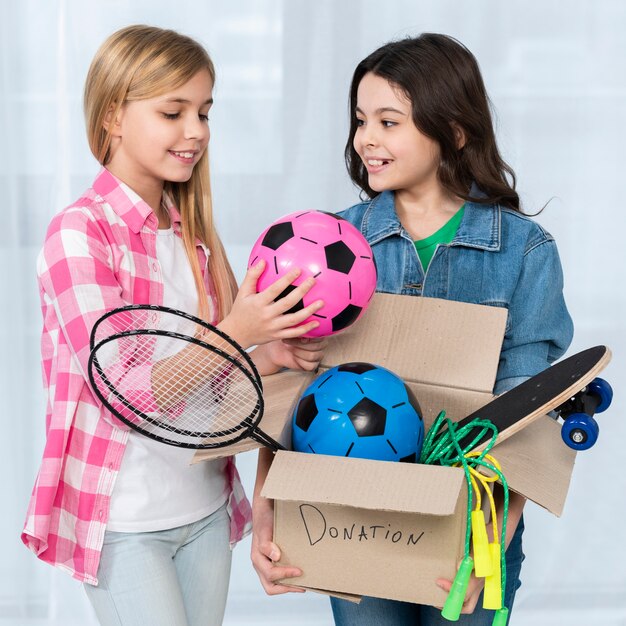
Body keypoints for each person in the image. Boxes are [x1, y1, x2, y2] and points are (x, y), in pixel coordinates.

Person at [251, 33, 573, 626]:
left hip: (470, 534)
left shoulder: (525, 252)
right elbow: (293, 396)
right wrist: (266, 514)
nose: (365, 139)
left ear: (452, 129)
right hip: (350, 521)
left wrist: (492, 545)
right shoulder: (326, 245)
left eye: (388, 121)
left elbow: (529, 413)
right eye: (360, 119)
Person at [21, 25, 325, 626]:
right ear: (113, 116)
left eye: (204, 112)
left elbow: (202, 386)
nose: (196, 132)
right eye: (173, 111)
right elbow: (130, 394)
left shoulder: (193, 238)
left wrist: (269, 359)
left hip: (204, 507)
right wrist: (239, 330)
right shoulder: (78, 234)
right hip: (126, 522)